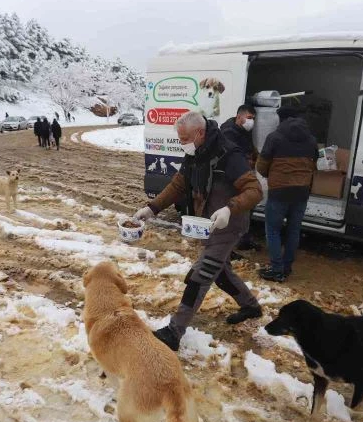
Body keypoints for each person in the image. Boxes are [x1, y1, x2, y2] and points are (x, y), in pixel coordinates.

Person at [133, 111, 263, 351]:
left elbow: (255, 190)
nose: (182, 144)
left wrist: (229, 209)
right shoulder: (195, 153)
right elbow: (179, 184)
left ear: (200, 133)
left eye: (184, 139)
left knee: (200, 275)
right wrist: (152, 208)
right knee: (221, 272)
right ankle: (251, 306)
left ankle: (174, 331)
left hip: (228, 224)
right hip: (208, 225)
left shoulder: (228, 154)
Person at [256, 106, 317, 282]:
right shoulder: (312, 140)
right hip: (302, 191)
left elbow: (261, 165)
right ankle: (287, 267)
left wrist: (272, 175)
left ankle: (277, 269)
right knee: (293, 230)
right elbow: (314, 165)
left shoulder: (274, 137)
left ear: (280, 119)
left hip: (279, 191)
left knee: (273, 230)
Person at [221, 104, 260, 254]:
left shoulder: (243, 131)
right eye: (249, 118)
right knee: (232, 213)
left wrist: (256, 156)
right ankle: (227, 250)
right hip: (233, 178)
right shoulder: (228, 132)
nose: (252, 122)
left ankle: (244, 240)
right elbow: (234, 157)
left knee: (247, 208)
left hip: (244, 175)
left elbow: (250, 149)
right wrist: (248, 162)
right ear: (239, 117)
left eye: (254, 119)